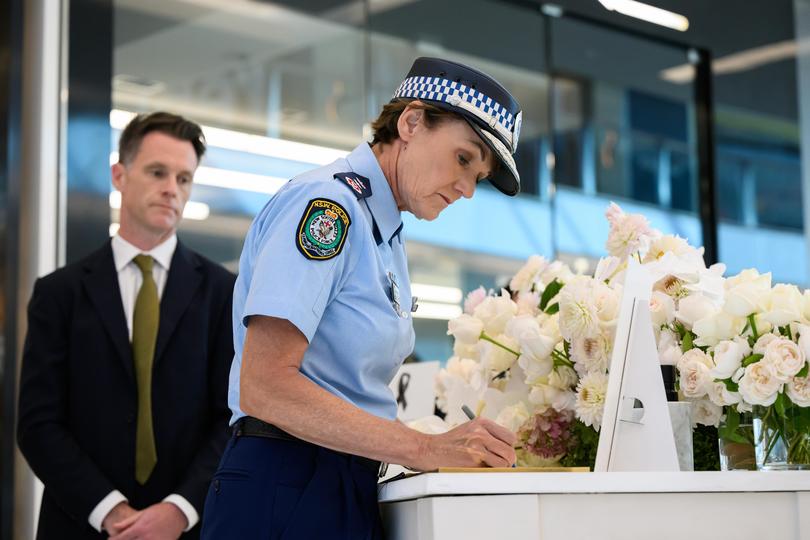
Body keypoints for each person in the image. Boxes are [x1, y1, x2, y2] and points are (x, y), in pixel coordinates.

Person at [200, 57, 522, 539]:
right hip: (287, 478)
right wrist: (424, 448)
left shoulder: (385, 232)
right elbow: (264, 385)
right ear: (411, 122)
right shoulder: (329, 209)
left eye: (478, 176)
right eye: (463, 159)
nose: (467, 189)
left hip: (339, 479)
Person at [17, 112, 235, 539]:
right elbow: (38, 423)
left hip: (189, 528)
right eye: (158, 172)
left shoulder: (224, 294)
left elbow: (231, 417)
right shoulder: (59, 294)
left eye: (184, 178)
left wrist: (178, 511)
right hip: (81, 524)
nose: (172, 188)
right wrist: (111, 512)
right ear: (119, 175)